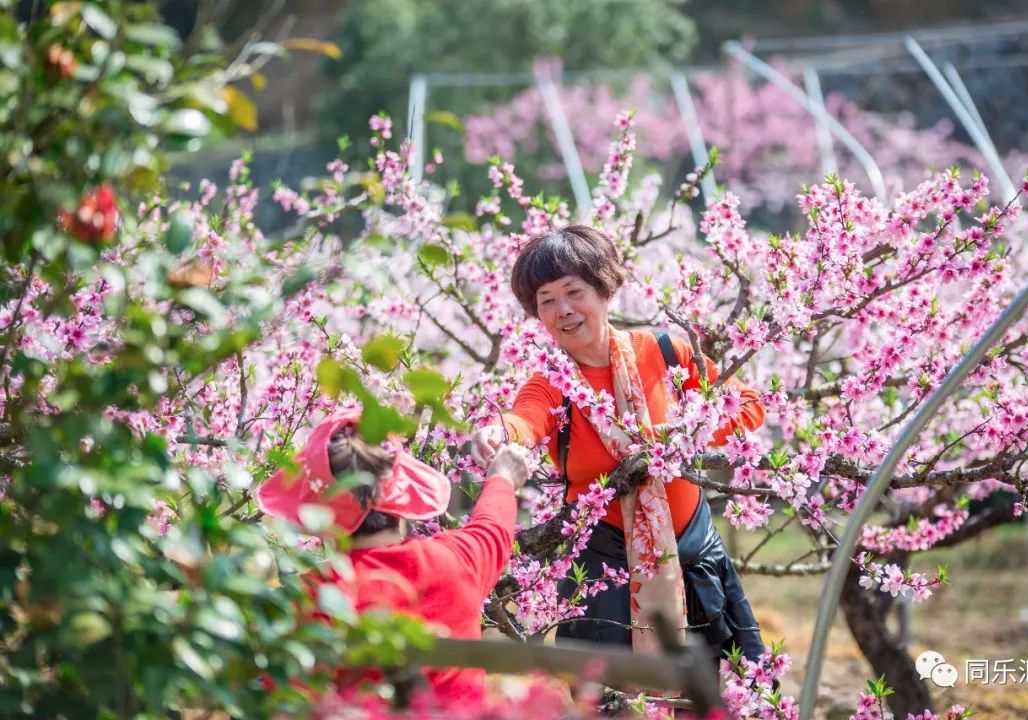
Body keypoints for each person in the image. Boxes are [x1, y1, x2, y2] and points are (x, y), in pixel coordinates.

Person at [472, 224, 767, 665]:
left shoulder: (667, 353)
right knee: (615, 701)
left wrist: (676, 441)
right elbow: (526, 420)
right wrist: (500, 432)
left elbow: (746, 405)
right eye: (547, 301)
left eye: (574, 292)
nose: (564, 310)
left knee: (721, 698)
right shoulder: (550, 383)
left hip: (695, 558)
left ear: (604, 289)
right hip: (604, 570)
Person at [256, 408, 530, 706]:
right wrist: (502, 477)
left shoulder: (307, 599)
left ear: (317, 510)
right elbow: (493, 526)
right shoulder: (457, 561)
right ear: (399, 491)